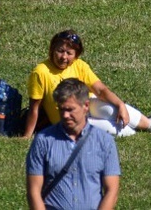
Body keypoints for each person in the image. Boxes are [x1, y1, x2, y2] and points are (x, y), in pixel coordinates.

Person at [23, 30, 151, 139]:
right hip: (70, 122)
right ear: (52, 50)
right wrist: (27, 135)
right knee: (125, 131)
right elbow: (34, 108)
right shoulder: (40, 72)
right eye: (60, 51)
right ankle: (142, 126)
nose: (64, 57)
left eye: (69, 53)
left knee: (115, 109)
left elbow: (100, 90)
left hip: (88, 106)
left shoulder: (80, 65)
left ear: (76, 55)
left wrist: (121, 105)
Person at [26, 78, 120, 210]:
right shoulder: (43, 140)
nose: (65, 115)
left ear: (86, 106)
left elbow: (112, 190)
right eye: (61, 109)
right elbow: (33, 192)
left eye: (70, 110)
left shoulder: (105, 141)